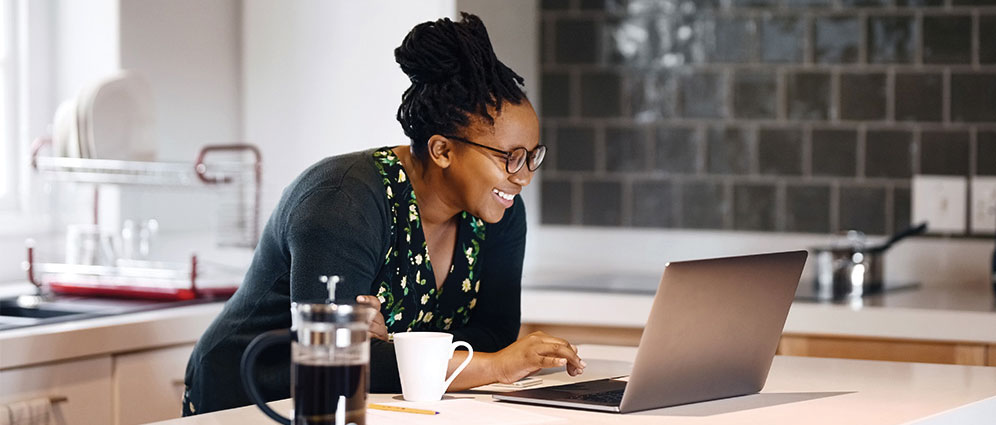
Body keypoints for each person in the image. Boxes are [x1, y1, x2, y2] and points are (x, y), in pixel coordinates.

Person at [181, 12, 585, 416]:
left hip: (368, 407)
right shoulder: (342, 202)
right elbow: (334, 360)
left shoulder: (499, 210)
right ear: (442, 150)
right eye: (510, 158)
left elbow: (494, 332)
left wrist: (389, 343)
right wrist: (493, 366)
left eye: (532, 157)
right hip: (252, 401)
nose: (525, 177)